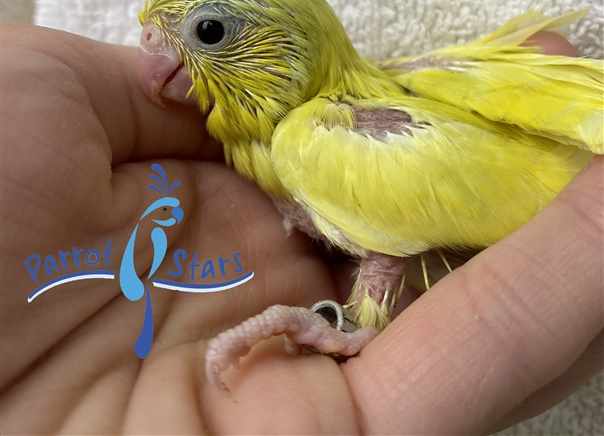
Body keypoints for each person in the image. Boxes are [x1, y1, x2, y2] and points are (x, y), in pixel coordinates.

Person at [1, 23, 602, 435]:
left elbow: (382, 258)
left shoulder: (309, 140)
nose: (156, 58)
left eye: (208, 34)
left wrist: (337, 330)